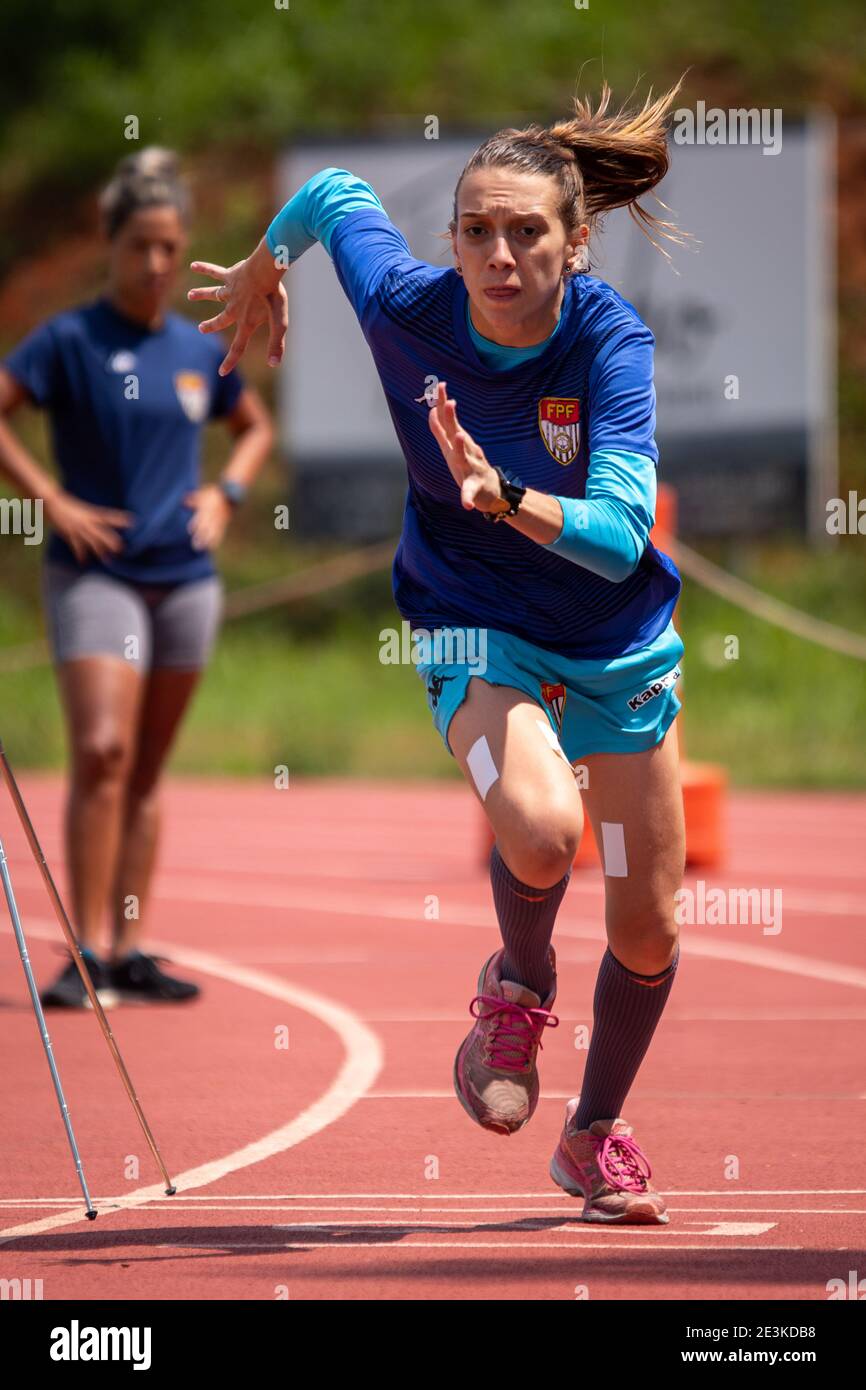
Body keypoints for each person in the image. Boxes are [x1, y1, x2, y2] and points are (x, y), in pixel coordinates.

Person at [189, 80, 688, 1224]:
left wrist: (503, 493)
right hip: (468, 622)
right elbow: (327, 192)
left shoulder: (608, 340)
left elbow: (617, 540)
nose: (498, 254)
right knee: (540, 826)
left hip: (613, 644)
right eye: (476, 230)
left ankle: (592, 1133)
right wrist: (267, 263)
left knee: (649, 923)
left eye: (525, 233)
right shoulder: (407, 304)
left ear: (573, 244)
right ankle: (516, 986)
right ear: (450, 237)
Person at [0, 147, 274, 1007]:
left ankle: (127, 946)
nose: (155, 264)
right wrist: (50, 499)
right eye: (140, 247)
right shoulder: (69, 340)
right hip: (96, 578)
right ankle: (83, 950)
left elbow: (254, 427)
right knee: (102, 751)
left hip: (185, 578)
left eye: (170, 247)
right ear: (110, 247)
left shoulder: (195, 350)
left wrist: (226, 495)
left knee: (148, 767)